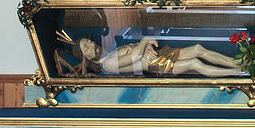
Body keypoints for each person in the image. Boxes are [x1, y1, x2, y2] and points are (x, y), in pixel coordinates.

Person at [76, 36, 243, 78]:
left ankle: (236, 62)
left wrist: (147, 46)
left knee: (198, 48)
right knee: (195, 63)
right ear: (87, 58)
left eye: (88, 41)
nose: (91, 44)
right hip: (157, 65)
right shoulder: (108, 65)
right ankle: (237, 73)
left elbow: (137, 48)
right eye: (86, 47)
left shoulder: (110, 52)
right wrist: (145, 41)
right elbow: (135, 55)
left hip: (157, 55)